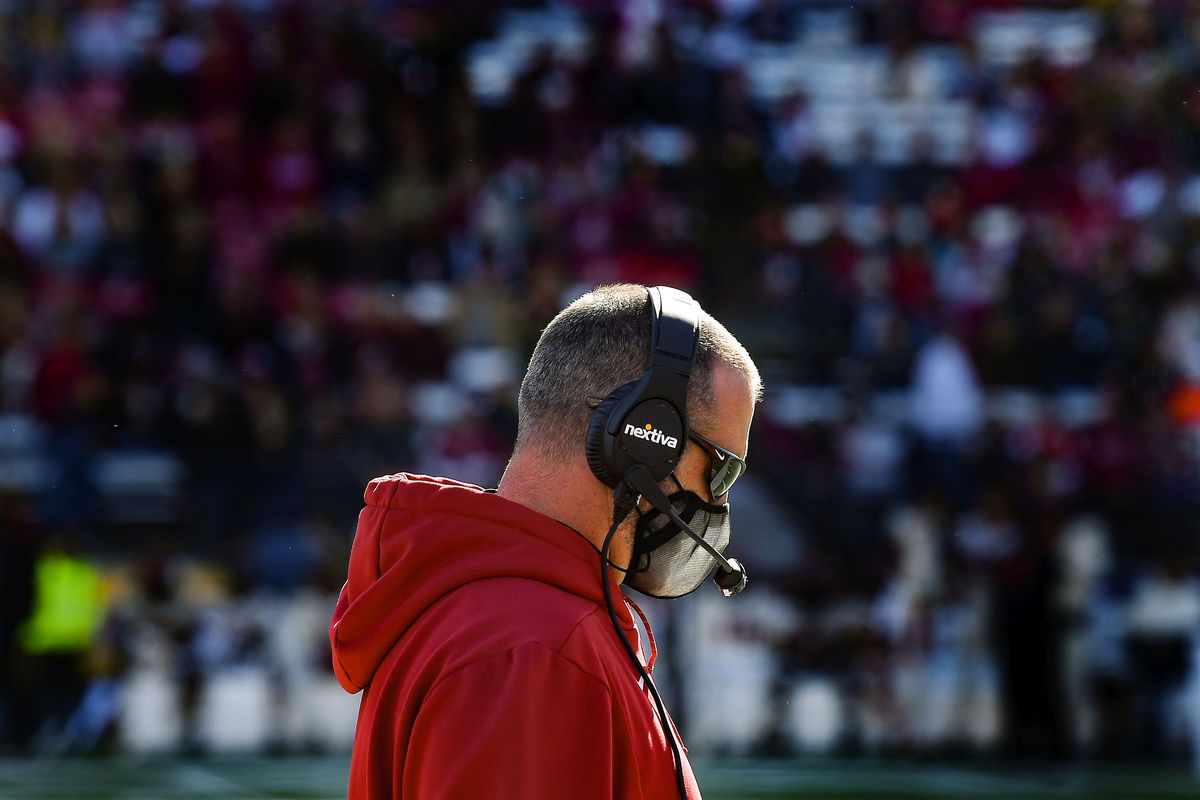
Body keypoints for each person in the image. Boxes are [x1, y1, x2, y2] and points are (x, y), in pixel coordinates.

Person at [329, 283, 761, 799]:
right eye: (721, 472)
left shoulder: (502, 620)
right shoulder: (535, 653)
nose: (717, 503)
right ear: (642, 437)